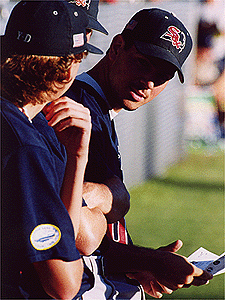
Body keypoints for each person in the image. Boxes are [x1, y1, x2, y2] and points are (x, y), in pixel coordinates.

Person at [64, 8, 214, 299]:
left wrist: (141, 263)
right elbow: (69, 226)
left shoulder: (99, 110)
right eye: (143, 63)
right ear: (117, 47)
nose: (149, 82)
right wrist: (113, 195)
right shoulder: (79, 110)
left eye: (162, 76)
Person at [1, 0, 106, 299]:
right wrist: (78, 157)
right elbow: (65, 284)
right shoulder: (25, 146)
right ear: (65, 72)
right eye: (79, 58)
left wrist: (75, 160)